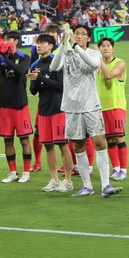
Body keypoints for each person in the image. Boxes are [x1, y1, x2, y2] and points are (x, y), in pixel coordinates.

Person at [51, 24, 121, 198]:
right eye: (76, 34)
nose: (79, 36)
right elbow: (54, 66)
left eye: (83, 34)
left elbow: (93, 64)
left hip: (91, 105)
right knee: (78, 145)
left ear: (88, 38)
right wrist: (62, 46)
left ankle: (106, 185)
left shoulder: (93, 53)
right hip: (72, 106)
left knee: (99, 142)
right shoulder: (67, 53)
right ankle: (87, 186)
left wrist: (74, 47)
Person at [30, 33, 74, 193]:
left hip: (58, 109)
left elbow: (61, 85)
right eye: (37, 43)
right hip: (43, 110)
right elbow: (33, 91)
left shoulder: (58, 61)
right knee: (48, 146)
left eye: (42, 43)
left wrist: (41, 78)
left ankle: (68, 180)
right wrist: (34, 81)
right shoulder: (35, 63)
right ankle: (54, 180)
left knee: (63, 144)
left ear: (51, 46)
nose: (39, 45)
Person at [0, 31, 34, 183]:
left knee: (24, 140)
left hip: (20, 104)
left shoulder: (24, 57)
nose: (5, 41)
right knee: (7, 140)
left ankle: (26, 173)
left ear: (15, 41)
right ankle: (12, 172)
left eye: (8, 39)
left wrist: (6, 59)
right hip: (5, 105)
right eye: (4, 39)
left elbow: (21, 71)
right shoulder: (2, 57)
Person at [97, 37, 129, 180]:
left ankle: (123, 170)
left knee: (119, 138)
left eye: (108, 46)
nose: (105, 48)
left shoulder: (120, 63)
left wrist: (98, 59)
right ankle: (115, 168)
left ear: (113, 48)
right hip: (101, 107)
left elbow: (109, 75)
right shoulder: (97, 65)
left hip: (117, 106)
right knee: (109, 140)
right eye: (102, 46)